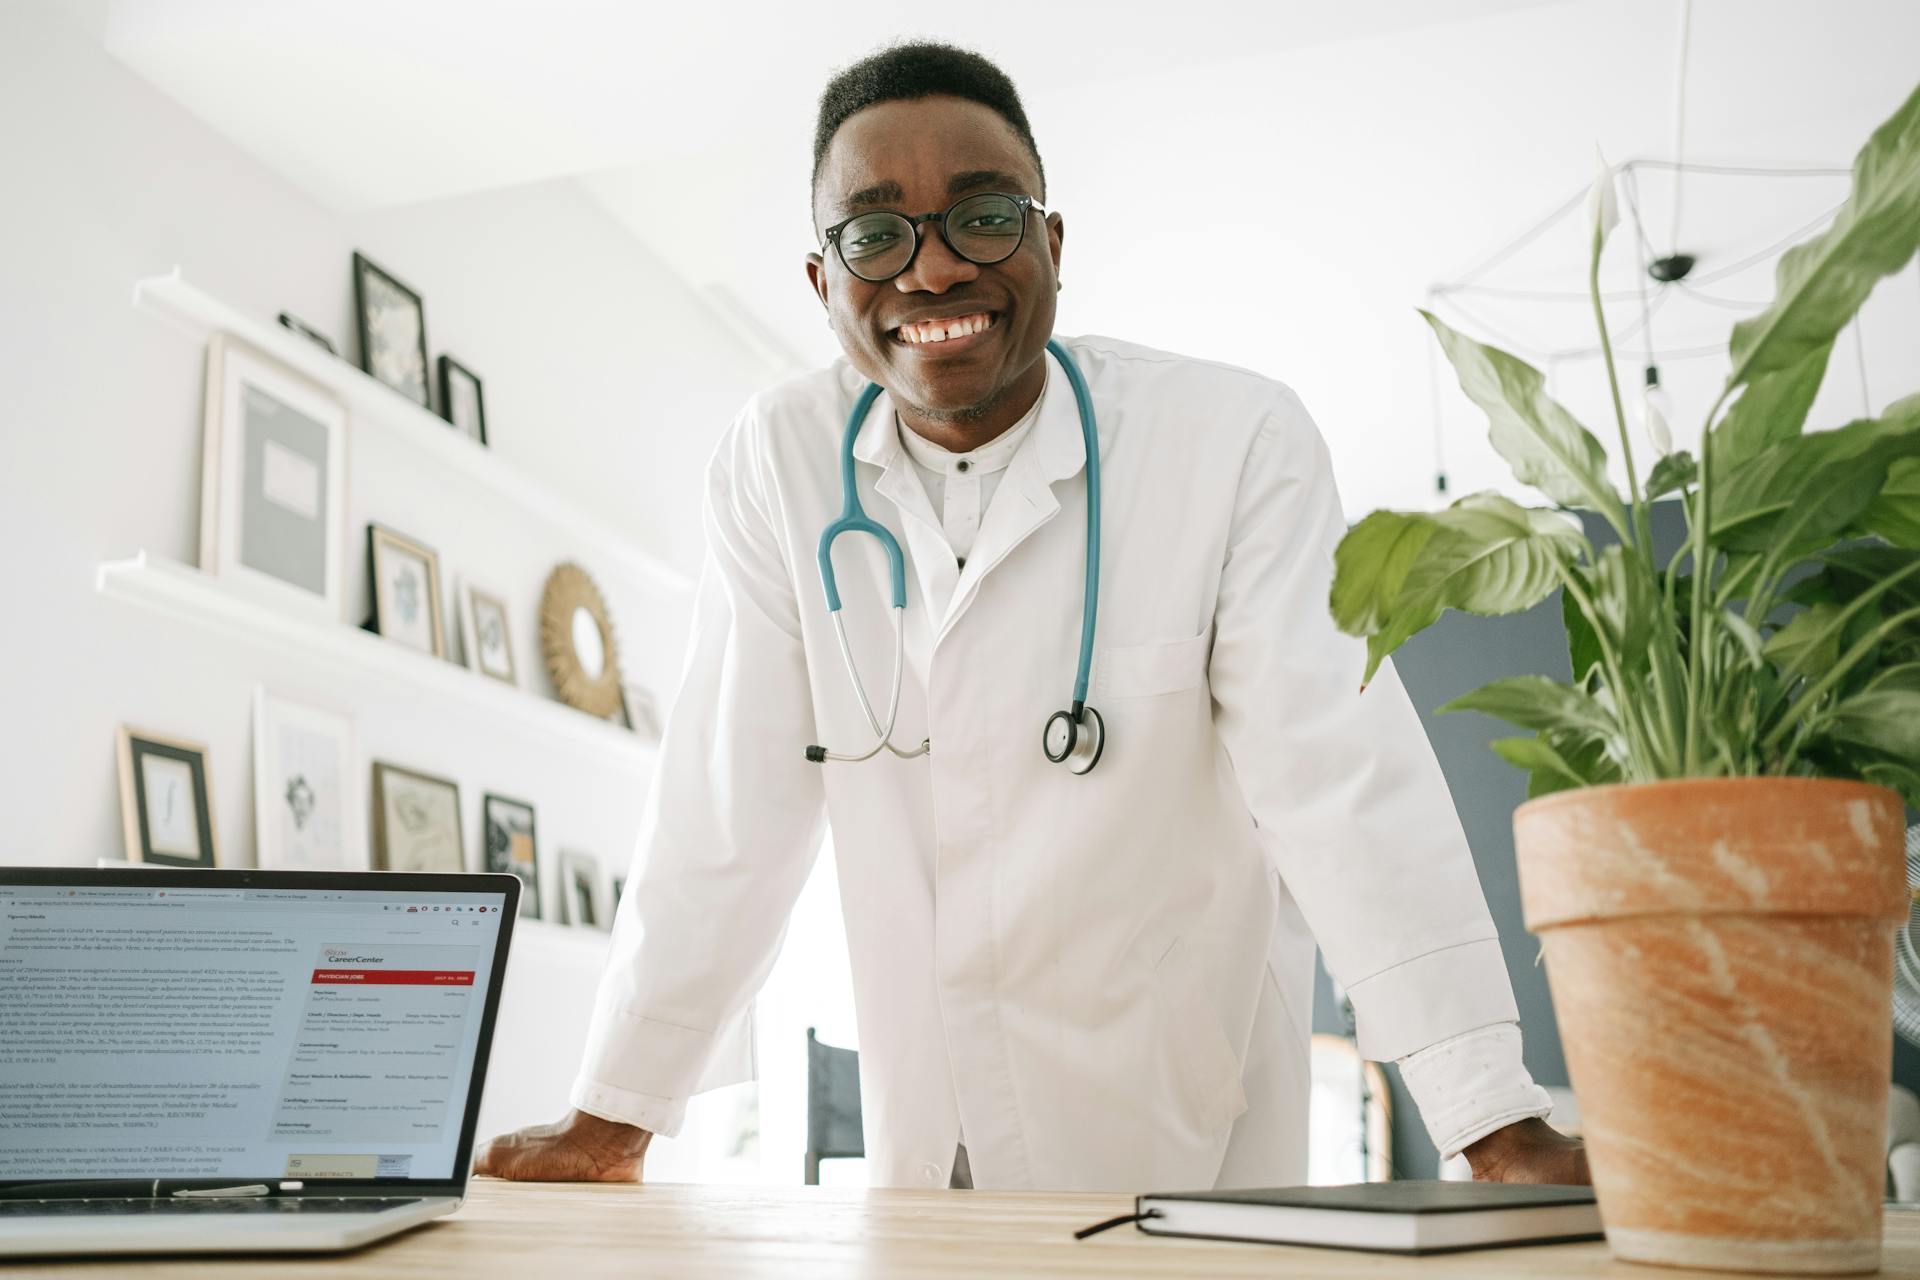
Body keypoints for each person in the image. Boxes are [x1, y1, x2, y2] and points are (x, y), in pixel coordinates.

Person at [476, 42, 1588, 1192]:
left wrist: (1490, 1119)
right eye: (874, 234)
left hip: (1179, 1130)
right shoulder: (781, 463)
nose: (934, 269)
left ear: (1051, 242)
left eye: (983, 216)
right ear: (823, 283)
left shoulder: (1230, 442)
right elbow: (725, 806)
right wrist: (616, 1112)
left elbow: (1343, 782)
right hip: (931, 1134)